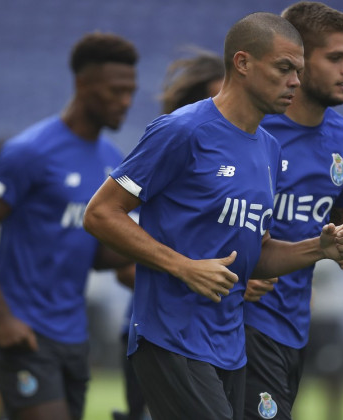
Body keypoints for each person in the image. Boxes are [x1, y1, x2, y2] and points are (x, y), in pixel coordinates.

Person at [82, 12, 343, 420]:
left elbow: (258, 252)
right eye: (284, 68)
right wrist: (184, 267)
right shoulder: (182, 130)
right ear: (243, 63)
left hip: (230, 347)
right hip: (171, 337)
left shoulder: (268, 148)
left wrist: (319, 248)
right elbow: (101, 214)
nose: (295, 82)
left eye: (299, 71)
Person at [0, 32, 138, 420]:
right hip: (23, 329)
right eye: (115, 90)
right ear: (82, 84)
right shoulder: (30, 151)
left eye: (131, 91)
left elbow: (95, 253)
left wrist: (161, 255)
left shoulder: (111, 158)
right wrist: (1, 316)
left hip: (72, 332)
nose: (125, 101)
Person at [241, 3, 343, 419]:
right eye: (335, 58)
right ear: (298, 62)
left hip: (295, 329)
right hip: (237, 324)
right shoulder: (249, 128)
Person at [112, 49, 224, 420]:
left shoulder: (238, 172)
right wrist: (187, 272)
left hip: (215, 333)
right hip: (159, 331)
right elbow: (124, 267)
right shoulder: (170, 162)